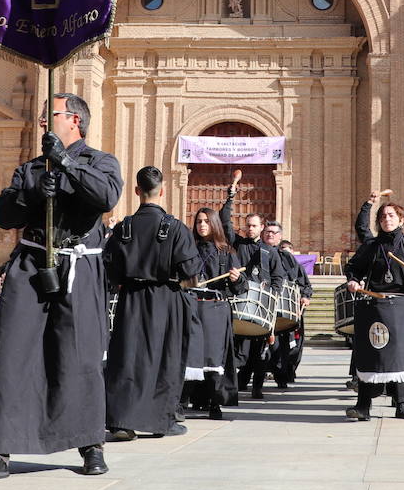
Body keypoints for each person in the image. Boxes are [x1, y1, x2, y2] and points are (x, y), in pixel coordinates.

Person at [0, 92, 122, 481]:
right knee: (12, 355)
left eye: (53, 115)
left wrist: (65, 164)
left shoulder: (101, 161)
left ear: (75, 121)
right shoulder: (30, 168)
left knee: (79, 357)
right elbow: (3, 214)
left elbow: (106, 196)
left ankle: (90, 446)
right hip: (31, 265)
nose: (44, 122)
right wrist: (32, 194)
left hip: (78, 267)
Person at [103, 166, 197, 441]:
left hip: (130, 299)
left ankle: (121, 422)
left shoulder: (124, 227)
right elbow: (191, 271)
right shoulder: (175, 226)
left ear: (136, 191)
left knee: (126, 356)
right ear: (163, 190)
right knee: (165, 358)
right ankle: (161, 421)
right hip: (166, 300)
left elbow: (110, 270)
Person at [343, 199, 404, 421]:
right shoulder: (371, 246)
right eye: (383, 217)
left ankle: (401, 404)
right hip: (375, 307)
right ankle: (363, 406)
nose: (387, 220)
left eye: (391, 216)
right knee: (370, 356)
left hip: (403, 308)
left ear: (401, 219)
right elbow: (353, 267)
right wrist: (353, 280)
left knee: (402, 358)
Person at [219, 200, 284, 403]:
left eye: (254, 225)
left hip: (261, 306)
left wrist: (273, 293)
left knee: (260, 352)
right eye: (248, 225)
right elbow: (224, 223)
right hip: (240, 303)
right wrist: (230, 198)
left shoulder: (270, 251)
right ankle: (237, 385)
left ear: (262, 227)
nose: (250, 229)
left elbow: (278, 277)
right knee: (239, 350)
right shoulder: (238, 244)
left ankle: (257, 387)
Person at [185, 204, 244, 420]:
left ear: (215, 224)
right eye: (198, 221)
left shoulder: (226, 251)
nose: (202, 225)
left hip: (215, 310)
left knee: (212, 356)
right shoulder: (187, 249)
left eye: (206, 221)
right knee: (190, 354)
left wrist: (237, 279)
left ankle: (214, 402)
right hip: (191, 306)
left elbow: (240, 288)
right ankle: (184, 401)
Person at [263, 222, 312, 389]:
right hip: (262, 307)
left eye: (274, 232)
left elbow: (302, 280)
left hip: (283, 308)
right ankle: (254, 376)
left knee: (281, 346)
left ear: (280, 236)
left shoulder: (287, 257)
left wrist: (305, 295)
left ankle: (282, 376)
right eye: (267, 232)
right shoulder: (257, 252)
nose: (270, 235)